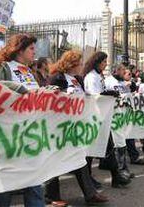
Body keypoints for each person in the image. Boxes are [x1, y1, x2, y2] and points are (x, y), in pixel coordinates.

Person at [0, 34, 44, 207]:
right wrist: (18, 89)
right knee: (3, 185)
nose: (35, 52)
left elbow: (34, 95)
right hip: (7, 135)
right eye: (31, 48)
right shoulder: (1, 67)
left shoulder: (29, 71)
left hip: (31, 133)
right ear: (19, 49)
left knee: (34, 182)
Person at [45, 50, 108, 205]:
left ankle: (90, 194)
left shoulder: (78, 79)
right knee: (55, 160)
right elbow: (48, 98)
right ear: (71, 64)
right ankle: (51, 195)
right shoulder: (56, 78)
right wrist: (65, 93)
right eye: (79, 63)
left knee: (80, 159)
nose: (81, 66)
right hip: (59, 127)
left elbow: (85, 99)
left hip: (75, 127)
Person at [83, 51, 131, 188]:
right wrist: (108, 94)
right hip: (95, 117)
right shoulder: (91, 77)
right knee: (91, 152)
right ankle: (90, 179)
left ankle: (116, 176)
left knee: (109, 147)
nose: (105, 64)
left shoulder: (99, 76)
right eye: (103, 62)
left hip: (103, 117)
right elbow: (94, 96)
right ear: (97, 62)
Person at [104, 64, 135, 179]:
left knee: (122, 143)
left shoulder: (122, 82)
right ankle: (121, 171)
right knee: (119, 143)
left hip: (122, 117)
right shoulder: (108, 81)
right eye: (122, 71)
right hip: (113, 116)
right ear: (116, 71)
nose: (124, 73)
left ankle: (123, 169)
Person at [123, 67, 144, 166]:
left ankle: (134, 156)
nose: (130, 76)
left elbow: (133, 89)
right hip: (120, 114)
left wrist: (131, 83)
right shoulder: (118, 83)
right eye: (128, 74)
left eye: (130, 74)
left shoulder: (130, 83)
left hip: (128, 112)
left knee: (130, 135)